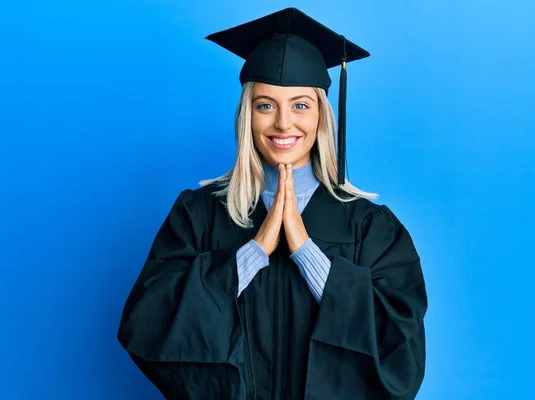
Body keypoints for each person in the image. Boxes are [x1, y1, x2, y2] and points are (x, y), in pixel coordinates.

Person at [117, 7, 428, 400]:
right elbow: (147, 324)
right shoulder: (198, 214)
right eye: (266, 105)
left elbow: (401, 342)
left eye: (300, 105)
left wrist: (306, 252)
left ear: (322, 116)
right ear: (247, 114)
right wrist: (253, 252)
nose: (283, 123)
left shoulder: (369, 226)